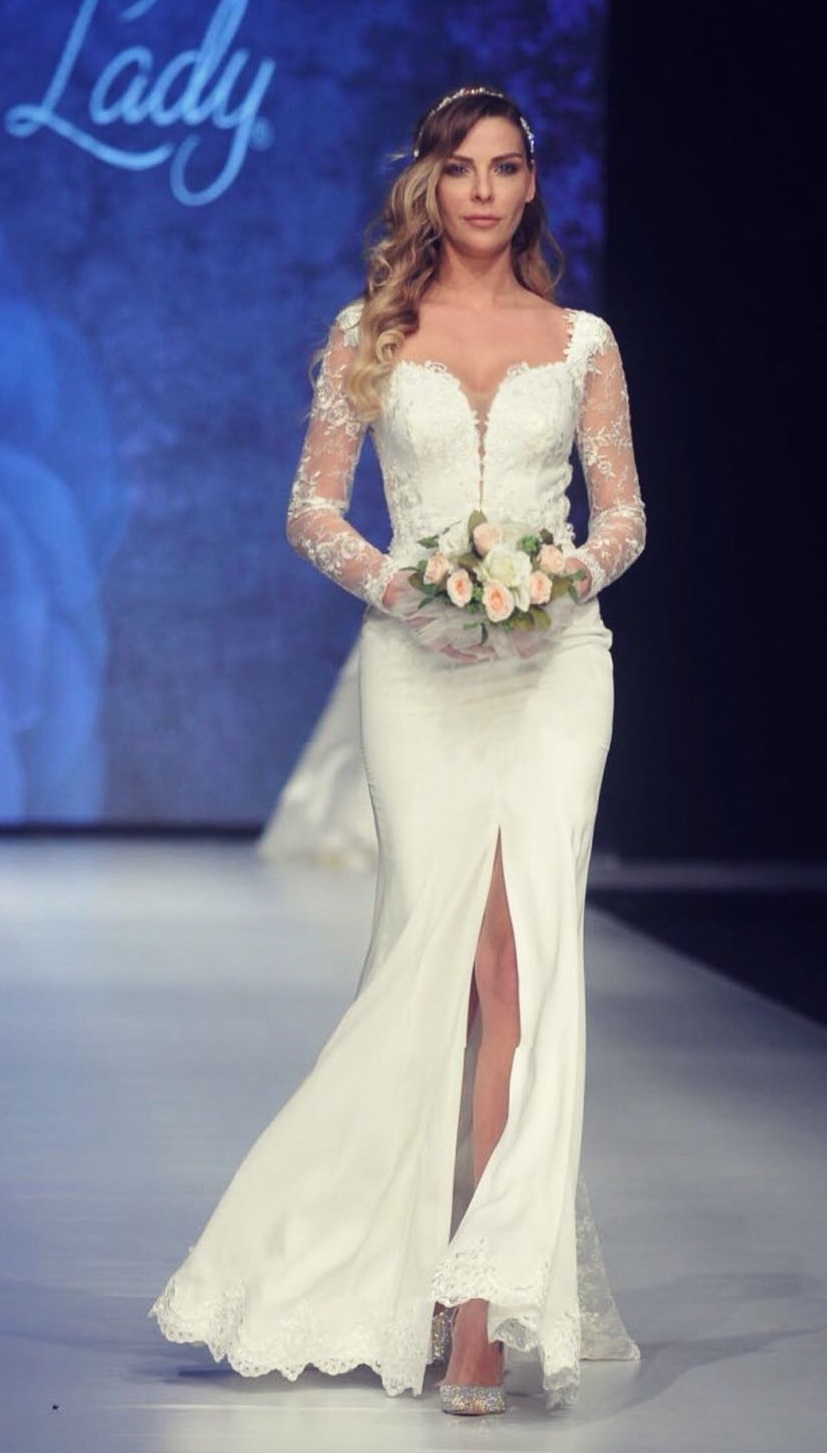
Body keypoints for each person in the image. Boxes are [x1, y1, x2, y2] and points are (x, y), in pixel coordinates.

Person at [151, 84, 646, 1417]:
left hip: (555, 670)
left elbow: (623, 517)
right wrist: (414, 591)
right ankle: (388, 1257)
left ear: (531, 185)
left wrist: (553, 580)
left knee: (520, 961)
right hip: (418, 669)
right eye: (461, 168)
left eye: (507, 167)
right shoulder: (368, 330)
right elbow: (313, 509)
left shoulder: (583, 342)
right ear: (429, 182)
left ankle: (477, 1307)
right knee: (433, 959)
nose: (484, 190)